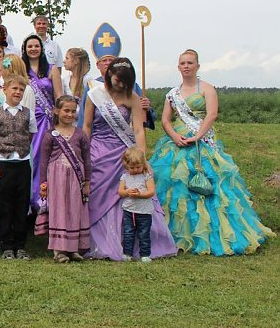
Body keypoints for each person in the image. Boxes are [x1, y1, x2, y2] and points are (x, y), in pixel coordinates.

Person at [149, 49, 274, 255]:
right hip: (177, 143)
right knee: (174, 186)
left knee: (211, 185)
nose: (186, 66)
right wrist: (174, 136)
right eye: (182, 63)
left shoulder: (207, 88)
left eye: (190, 62)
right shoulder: (172, 94)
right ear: (178, 67)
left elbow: (212, 114)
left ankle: (209, 233)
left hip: (203, 142)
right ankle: (174, 233)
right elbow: (164, 119)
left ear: (198, 66)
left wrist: (198, 136)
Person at [83, 57, 177, 261]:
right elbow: (87, 126)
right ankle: (101, 242)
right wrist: (84, 152)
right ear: (109, 76)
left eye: (125, 81)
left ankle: (131, 244)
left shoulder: (132, 97)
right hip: (98, 152)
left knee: (129, 194)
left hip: (124, 154)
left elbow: (137, 130)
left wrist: (141, 158)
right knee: (100, 196)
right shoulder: (94, 95)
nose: (121, 85)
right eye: (118, 80)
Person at [0, 74, 36, 260]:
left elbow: (30, 136)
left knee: (21, 205)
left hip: (22, 164)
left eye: (21, 90)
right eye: (14, 88)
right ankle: (6, 244)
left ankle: (20, 245)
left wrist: (21, 150)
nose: (17, 92)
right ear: (4, 90)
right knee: (5, 205)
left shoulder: (28, 113)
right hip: (3, 164)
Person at [38, 95, 91, 263]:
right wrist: (43, 182)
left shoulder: (80, 134)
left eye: (73, 111)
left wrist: (87, 181)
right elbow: (44, 160)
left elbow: (87, 159)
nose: (69, 114)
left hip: (76, 177)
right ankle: (59, 250)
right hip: (56, 178)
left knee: (75, 210)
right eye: (66, 110)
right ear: (56, 111)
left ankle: (73, 248)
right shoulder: (50, 135)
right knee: (59, 210)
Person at [23, 34, 62, 210]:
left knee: (46, 159)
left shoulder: (52, 69)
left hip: (48, 122)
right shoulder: (22, 70)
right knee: (31, 158)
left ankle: (44, 201)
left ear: (42, 49)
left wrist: (58, 115)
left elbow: (59, 97)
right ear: (25, 49)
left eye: (36, 46)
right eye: (29, 46)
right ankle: (29, 201)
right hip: (29, 120)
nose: (33, 49)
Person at [118, 147, 156, 262]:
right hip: (129, 211)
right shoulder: (125, 177)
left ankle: (145, 254)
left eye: (138, 167)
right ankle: (127, 253)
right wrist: (127, 192)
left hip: (144, 211)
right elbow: (120, 192)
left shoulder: (146, 176)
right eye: (132, 168)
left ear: (143, 164)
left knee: (144, 233)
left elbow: (151, 192)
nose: (135, 169)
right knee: (128, 232)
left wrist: (140, 194)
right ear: (126, 166)